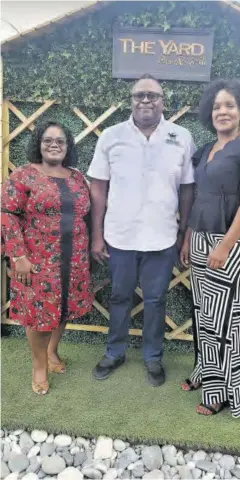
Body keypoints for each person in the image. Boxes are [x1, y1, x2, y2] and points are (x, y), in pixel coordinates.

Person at [88, 74, 196, 386]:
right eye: (139, 95)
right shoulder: (112, 135)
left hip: (162, 238)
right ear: (131, 100)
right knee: (120, 296)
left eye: (153, 95)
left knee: (156, 300)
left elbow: (188, 189)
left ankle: (152, 357)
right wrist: (97, 234)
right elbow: (98, 187)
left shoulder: (181, 136)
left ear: (164, 101)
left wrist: (182, 231)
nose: (146, 100)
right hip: (120, 236)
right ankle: (115, 351)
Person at [180, 79, 240, 417]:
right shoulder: (206, 150)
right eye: (217, 106)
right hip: (202, 237)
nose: (223, 111)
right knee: (206, 314)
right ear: (210, 112)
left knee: (222, 319)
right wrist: (191, 236)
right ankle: (205, 371)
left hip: (232, 241)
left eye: (229, 105)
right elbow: (201, 199)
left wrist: (223, 246)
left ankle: (222, 393)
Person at [1, 121, 94, 395]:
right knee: (38, 315)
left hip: (75, 258)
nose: (54, 145)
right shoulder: (23, 176)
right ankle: (39, 365)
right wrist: (18, 255)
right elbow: (6, 213)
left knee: (63, 308)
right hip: (37, 259)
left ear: (68, 147)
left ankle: (53, 353)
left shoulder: (77, 177)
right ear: (38, 144)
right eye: (48, 140)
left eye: (61, 141)